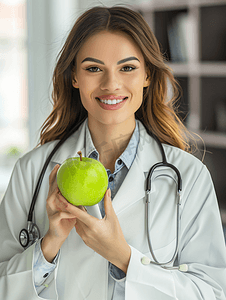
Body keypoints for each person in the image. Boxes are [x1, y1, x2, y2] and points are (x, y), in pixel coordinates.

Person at [0, 5, 226, 300]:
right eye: (94, 68)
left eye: (127, 68)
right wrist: (49, 245)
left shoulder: (188, 176)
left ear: (147, 75)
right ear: (74, 77)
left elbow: (211, 292)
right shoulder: (32, 171)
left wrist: (123, 258)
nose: (111, 84)